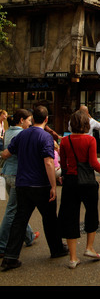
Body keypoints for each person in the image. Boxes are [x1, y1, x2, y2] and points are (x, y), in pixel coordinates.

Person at [1, 106, 68, 271]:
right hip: (41, 184)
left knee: (19, 220)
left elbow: (6, 153)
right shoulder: (45, 137)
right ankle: (56, 249)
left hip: (23, 183)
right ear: (46, 120)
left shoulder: (22, 134)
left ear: (33, 119)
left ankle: (10, 257)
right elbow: (48, 162)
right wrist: (53, 185)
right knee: (50, 218)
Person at [58, 110, 100, 269]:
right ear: (86, 124)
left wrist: (64, 175)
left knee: (70, 216)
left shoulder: (65, 140)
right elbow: (93, 162)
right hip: (87, 180)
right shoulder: (90, 140)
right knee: (91, 212)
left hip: (71, 180)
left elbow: (63, 163)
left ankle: (72, 258)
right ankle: (89, 248)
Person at [0, 109, 39, 257]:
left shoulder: (8, 132)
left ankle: (28, 236)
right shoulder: (21, 134)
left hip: (5, 173)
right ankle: (2, 244)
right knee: (12, 210)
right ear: (21, 120)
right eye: (29, 120)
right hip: (17, 175)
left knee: (18, 208)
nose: (30, 124)